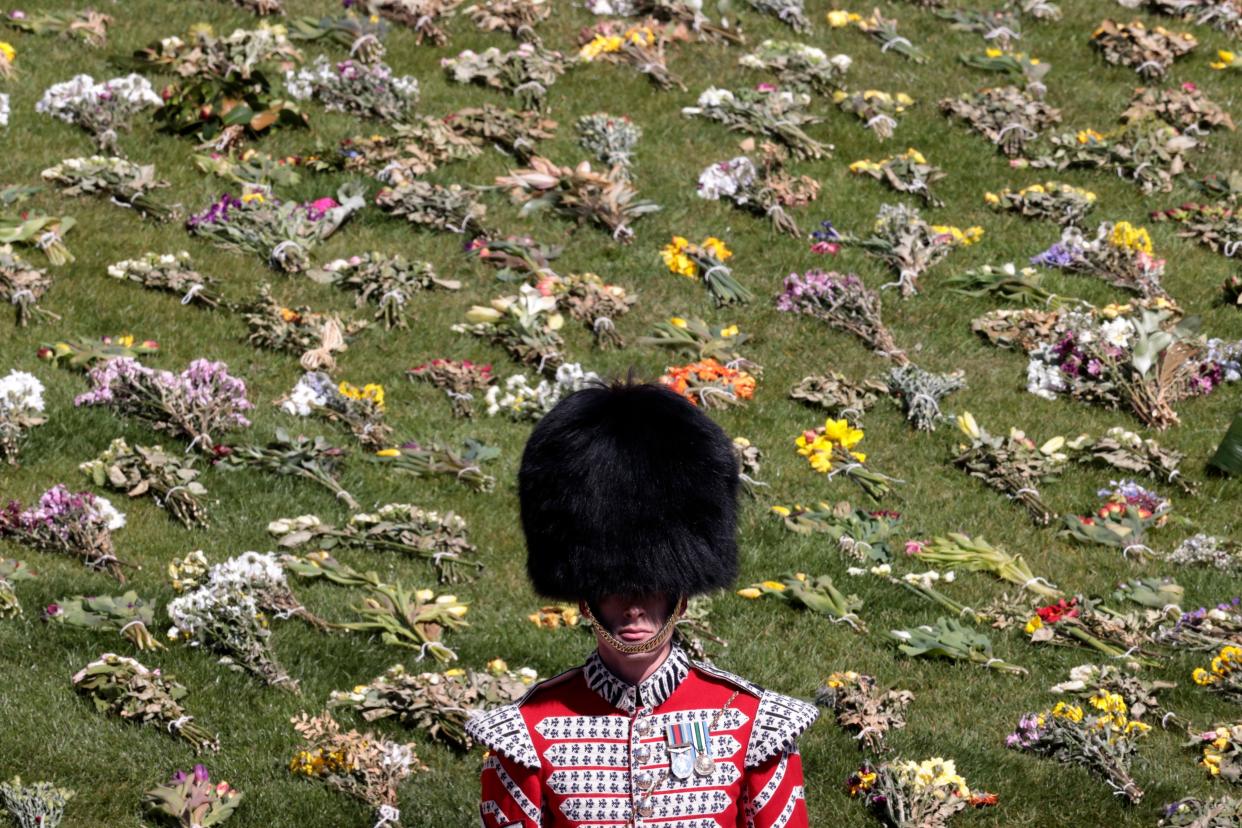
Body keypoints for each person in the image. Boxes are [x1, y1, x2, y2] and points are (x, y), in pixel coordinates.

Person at [468, 380, 817, 827]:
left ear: (681, 596)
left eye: (651, 588)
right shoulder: (527, 731)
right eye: (614, 589)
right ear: (585, 598)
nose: (633, 608)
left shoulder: (752, 722)